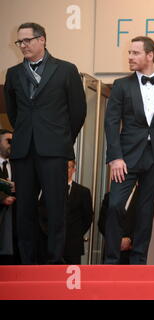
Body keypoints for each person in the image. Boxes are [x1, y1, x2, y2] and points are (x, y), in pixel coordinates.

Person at [4, 22, 87, 264]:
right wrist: (26, 134)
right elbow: (14, 112)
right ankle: (28, 261)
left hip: (55, 150)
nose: (23, 46)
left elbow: (78, 112)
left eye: (27, 40)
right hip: (23, 150)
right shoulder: (14, 73)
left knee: (56, 207)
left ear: (42, 40)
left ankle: (53, 260)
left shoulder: (66, 70)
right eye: (19, 42)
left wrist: (62, 139)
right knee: (25, 210)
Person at [104, 36, 154, 264]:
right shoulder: (120, 85)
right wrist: (115, 157)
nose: (130, 57)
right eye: (129, 53)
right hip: (125, 158)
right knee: (115, 205)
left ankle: (138, 262)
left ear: (150, 55)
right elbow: (111, 123)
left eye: (135, 53)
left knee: (146, 213)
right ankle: (111, 261)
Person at [37, 160, 93, 264]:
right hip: (51, 243)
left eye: (68, 167)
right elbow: (41, 213)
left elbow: (88, 217)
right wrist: (49, 233)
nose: (65, 170)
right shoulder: (49, 190)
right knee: (51, 276)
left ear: (74, 170)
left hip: (73, 245)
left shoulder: (84, 192)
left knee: (72, 278)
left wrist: (75, 234)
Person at [0, 129, 20, 264]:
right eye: (8, 141)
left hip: (14, 230)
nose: (11, 144)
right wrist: (2, 198)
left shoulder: (18, 165)